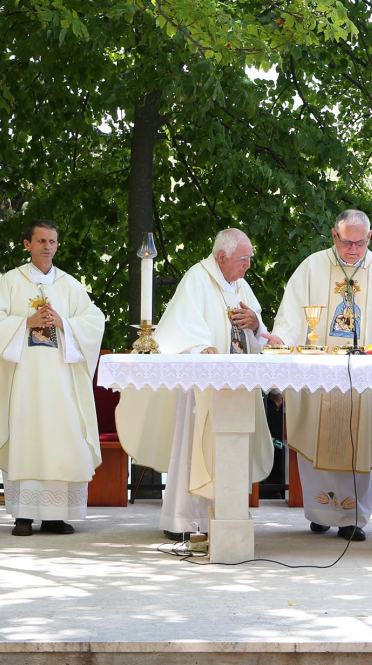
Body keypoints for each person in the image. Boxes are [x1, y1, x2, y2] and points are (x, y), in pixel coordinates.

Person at [270, 210, 372, 541]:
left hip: (365, 377)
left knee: (360, 443)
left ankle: (354, 518)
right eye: (346, 241)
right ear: (333, 235)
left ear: (369, 238)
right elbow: (291, 316)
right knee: (316, 438)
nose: (353, 249)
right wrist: (281, 340)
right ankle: (319, 513)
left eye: (360, 242)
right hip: (319, 375)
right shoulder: (312, 267)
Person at [116, 228, 276, 540]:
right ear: (221, 257)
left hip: (237, 387)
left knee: (228, 449)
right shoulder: (197, 278)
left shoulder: (240, 285)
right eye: (243, 259)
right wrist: (201, 347)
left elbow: (260, 334)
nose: (248, 265)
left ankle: (225, 516)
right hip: (201, 387)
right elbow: (181, 326)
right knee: (194, 450)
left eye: (249, 259)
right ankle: (183, 520)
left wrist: (256, 324)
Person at [0, 220, 105, 536]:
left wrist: (64, 323)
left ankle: (55, 515)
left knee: (62, 438)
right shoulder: (11, 282)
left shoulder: (70, 285)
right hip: (25, 380)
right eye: (41, 241)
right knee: (27, 436)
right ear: (27, 244)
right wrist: (25, 323)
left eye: (52, 241)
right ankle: (23, 515)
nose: (48, 246)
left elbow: (94, 321)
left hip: (61, 380)